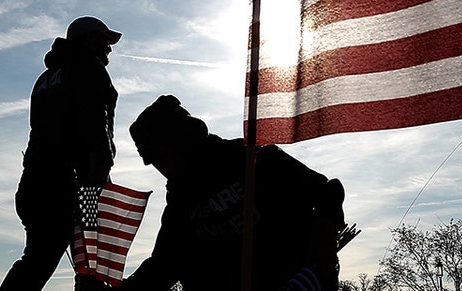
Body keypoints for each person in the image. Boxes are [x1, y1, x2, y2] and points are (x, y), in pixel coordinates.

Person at [121, 95, 346, 291]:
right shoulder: (180, 204)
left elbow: (328, 193)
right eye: (153, 162)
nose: (161, 168)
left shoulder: (252, 160)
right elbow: (165, 265)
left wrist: (321, 246)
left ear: (183, 141)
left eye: (161, 155)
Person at [0, 16, 122, 291]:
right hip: (78, 183)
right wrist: (100, 171)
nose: (109, 49)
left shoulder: (45, 78)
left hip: (34, 181)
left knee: (37, 258)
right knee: (90, 261)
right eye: (104, 41)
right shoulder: (87, 67)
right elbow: (95, 122)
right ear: (88, 39)